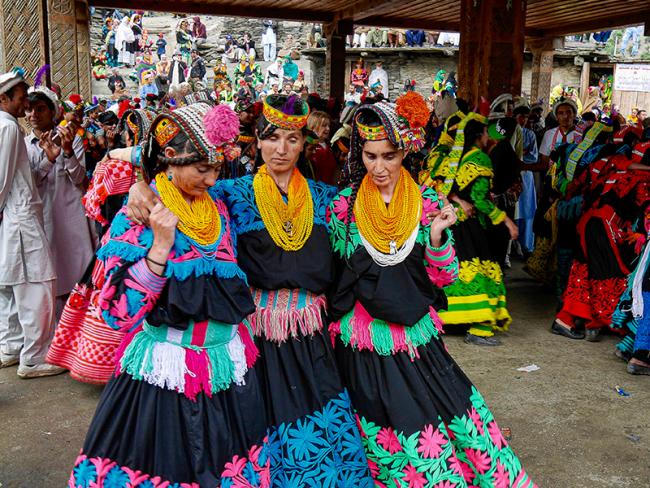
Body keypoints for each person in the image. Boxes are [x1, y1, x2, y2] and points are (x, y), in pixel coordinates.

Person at [126, 94, 374, 485]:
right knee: (257, 430)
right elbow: (172, 176)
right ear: (255, 141)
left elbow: (375, 193)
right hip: (254, 333)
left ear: (305, 144)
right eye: (272, 137)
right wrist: (138, 185)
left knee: (324, 423)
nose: (281, 148)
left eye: (293, 139)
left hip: (310, 332)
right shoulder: (229, 195)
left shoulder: (326, 199)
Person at [328, 96, 537, 486]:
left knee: (441, 419)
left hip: (416, 333)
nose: (379, 167)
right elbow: (338, 272)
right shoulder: (344, 205)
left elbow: (445, 277)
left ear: (405, 149)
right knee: (378, 428)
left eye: (389, 156)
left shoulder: (426, 203)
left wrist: (438, 238)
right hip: (363, 336)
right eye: (371, 156)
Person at [68, 103, 269, 486]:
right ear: (172, 159)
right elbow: (117, 313)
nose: (212, 179)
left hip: (226, 371)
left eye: (217, 168)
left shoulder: (221, 207)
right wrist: (159, 247)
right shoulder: (136, 218)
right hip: (166, 375)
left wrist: (137, 180)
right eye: (202, 169)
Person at [47, 109, 155, 384]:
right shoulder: (147, 162)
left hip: (116, 239)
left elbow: (97, 205)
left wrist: (111, 155)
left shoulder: (115, 164)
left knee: (115, 295)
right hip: (139, 241)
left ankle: (106, 362)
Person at [437, 113, 519, 346]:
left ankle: (444, 319)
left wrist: (456, 200)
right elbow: (480, 200)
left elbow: (441, 186)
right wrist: (506, 221)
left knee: (454, 271)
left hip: (449, 221)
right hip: (468, 224)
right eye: (485, 132)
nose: (487, 136)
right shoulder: (481, 159)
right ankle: (479, 328)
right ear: (478, 136)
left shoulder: (457, 157)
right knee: (482, 273)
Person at [0, 69, 60, 378]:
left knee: (12, 288)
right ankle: (34, 358)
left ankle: (11, 348)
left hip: (17, 215)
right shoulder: (8, 128)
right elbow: (2, 179)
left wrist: (47, 161)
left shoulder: (6, 125)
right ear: (4, 98)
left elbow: (19, 178)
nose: (26, 105)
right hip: (20, 218)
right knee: (37, 287)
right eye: (22, 98)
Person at [25, 87, 96, 318]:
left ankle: (78, 326)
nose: (33, 114)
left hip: (70, 213)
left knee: (76, 268)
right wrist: (47, 160)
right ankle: (55, 332)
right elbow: (30, 181)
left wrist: (67, 152)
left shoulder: (71, 139)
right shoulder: (25, 145)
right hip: (43, 213)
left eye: (40, 109)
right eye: (28, 109)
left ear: (52, 111)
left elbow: (79, 178)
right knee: (50, 271)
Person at [514, 105, 538, 255]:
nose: (523, 120)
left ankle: (526, 245)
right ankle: (511, 245)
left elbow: (533, 157)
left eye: (526, 117)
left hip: (526, 175)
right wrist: (522, 153)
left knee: (527, 209)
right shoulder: (509, 133)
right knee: (514, 209)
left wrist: (519, 156)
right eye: (520, 116)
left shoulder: (530, 135)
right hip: (513, 175)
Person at [306, 110, 337, 184]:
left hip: (329, 190)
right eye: (324, 125)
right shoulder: (306, 147)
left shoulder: (328, 145)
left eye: (328, 125)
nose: (328, 129)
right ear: (313, 126)